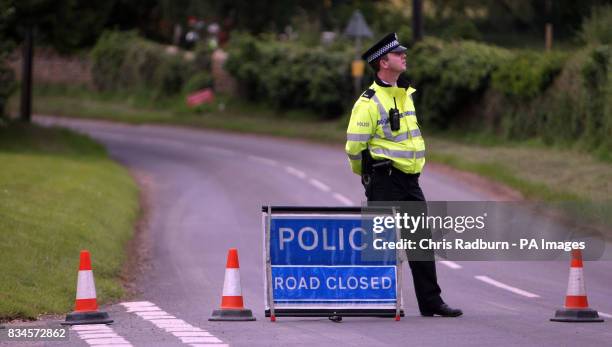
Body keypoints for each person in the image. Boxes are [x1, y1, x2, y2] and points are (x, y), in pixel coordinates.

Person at [345, 33, 462, 317]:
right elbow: (354, 147)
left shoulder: (405, 94)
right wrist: (368, 176)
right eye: (398, 54)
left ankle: (431, 302)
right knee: (381, 245)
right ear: (383, 62)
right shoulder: (368, 102)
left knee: (421, 242)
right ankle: (379, 302)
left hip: (410, 180)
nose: (404, 56)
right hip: (384, 179)